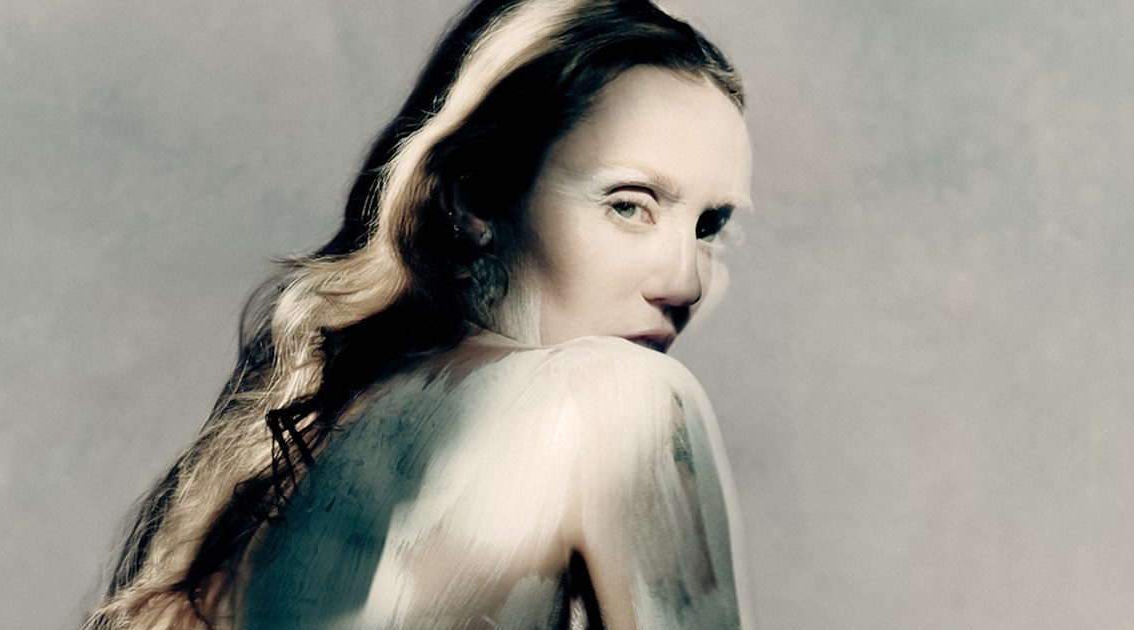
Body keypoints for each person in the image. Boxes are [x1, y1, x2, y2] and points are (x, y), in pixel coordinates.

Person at [87, 0, 754, 627]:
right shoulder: (619, 402)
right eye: (629, 206)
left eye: (708, 226)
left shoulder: (307, 456)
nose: (685, 282)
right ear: (475, 198)